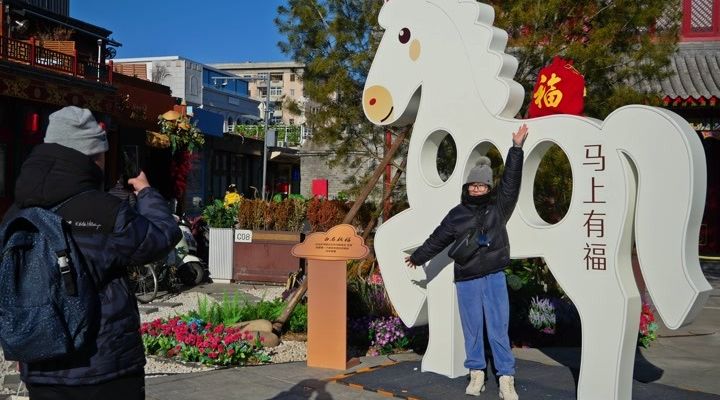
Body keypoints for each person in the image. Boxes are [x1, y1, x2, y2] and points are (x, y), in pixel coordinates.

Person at [4, 106, 181, 400]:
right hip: (103, 364)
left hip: (40, 362)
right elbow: (161, 238)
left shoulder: (17, 211)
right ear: (93, 156)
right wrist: (146, 192)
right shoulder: (105, 210)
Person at [405, 124, 528, 399]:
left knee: (498, 329)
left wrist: (516, 149)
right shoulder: (456, 214)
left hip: (494, 275)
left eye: (482, 185)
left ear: (488, 187)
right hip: (467, 278)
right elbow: (438, 238)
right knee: (472, 330)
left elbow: (511, 182)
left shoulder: (499, 208)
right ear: (467, 187)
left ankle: (506, 377)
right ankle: (476, 373)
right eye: (473, 184)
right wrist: (418, 257)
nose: (477, 188)